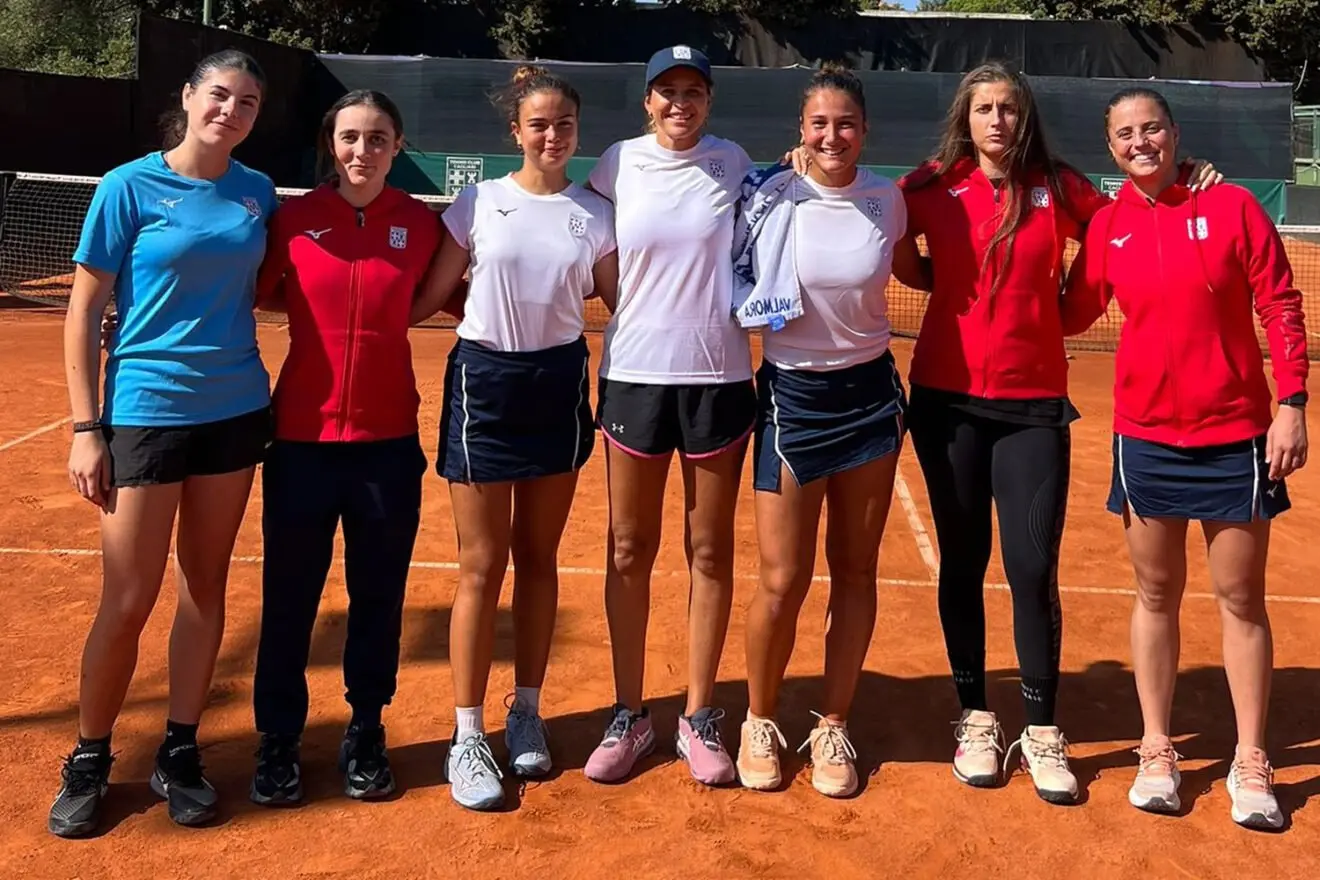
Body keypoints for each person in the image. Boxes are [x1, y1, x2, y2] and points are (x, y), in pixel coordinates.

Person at [889, 62, 1222, 805]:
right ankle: (976, 716)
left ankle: (1041, 730)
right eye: (984, 109)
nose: (998, 120)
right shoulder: (927, 185)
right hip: (946, 403)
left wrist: (1183, 176)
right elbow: (894, 247)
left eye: (1009, 107)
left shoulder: (1062, 187)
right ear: (965, 119)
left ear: (1025, 115)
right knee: (963, 560)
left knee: (1032, 569)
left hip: (1034, 405)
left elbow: (1118, 224)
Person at [1061, 86, 1308, 830]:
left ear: (1175, 133)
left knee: (1240, 598)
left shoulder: (1232, 205)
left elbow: (1281, 301)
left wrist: (1291, 401)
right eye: (1125, 135)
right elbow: (1072, 311)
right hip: (1145, 437)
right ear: (1111, 148)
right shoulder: (1107, 226)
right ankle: (1158, 748)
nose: (1141, 143)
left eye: (1152, 128)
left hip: (1235, 434)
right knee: (1155, 594)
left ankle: (1253, 756)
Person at [52, 50, 276, 836]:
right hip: (145, 412)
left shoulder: (255, 194)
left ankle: (179, 749)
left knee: (204, 588)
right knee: (126, 598)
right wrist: (88, 429)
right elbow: (83, 313)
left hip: (237, 410)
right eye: (219, 95)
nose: (231, 111)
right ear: (188, 97)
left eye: (247, 102)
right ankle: (89, 755)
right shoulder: (127, 187)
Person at [409, 65, 618, 811]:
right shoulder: (479, 202)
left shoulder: (594, 215)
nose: (553, 135)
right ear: (516, 132)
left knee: (538, 558)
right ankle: (467, 734)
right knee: (481, 565)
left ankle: (525, 709)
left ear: (576, 131)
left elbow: (625, 302)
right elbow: (431, 295)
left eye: (564, 124)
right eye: (540, 124)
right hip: (484, 386)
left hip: (559, 384)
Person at [247, 90, 440, 805]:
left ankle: (366, 729)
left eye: (379, 138)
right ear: (332, 144)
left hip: (389, 445)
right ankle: (278, 740)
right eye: (351, 137)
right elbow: (260, 293)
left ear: (398, 145)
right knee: (289, 598)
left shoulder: (420, 226)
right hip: (300, 441)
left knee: (378, 598)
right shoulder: (293, 221)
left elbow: (457, 294)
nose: (364, 151)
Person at [580, 46, 756, 787]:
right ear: (647, 101)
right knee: (629, 547)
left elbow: (768, 232)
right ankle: (630, 713)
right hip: (635, 379)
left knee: (709, 550)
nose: (680, 103)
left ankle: (700, 716)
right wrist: (640, 314)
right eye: (667, 91)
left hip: (719, 379)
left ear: (708, 101)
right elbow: (594, 246)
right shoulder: (616, 164)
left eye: (693, 91)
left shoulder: (735, 162)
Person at [731, 65, 908, 798]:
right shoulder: (771, 195)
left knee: (856, 570)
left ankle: (833, 721)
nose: (831, 136)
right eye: (818, 124)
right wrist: (777, 172)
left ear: (864, 131)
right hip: (791, 400)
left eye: (845, 123)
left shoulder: (888, 200)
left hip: (869, 397)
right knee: (783, 578)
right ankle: (759, 719)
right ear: (800, 131)